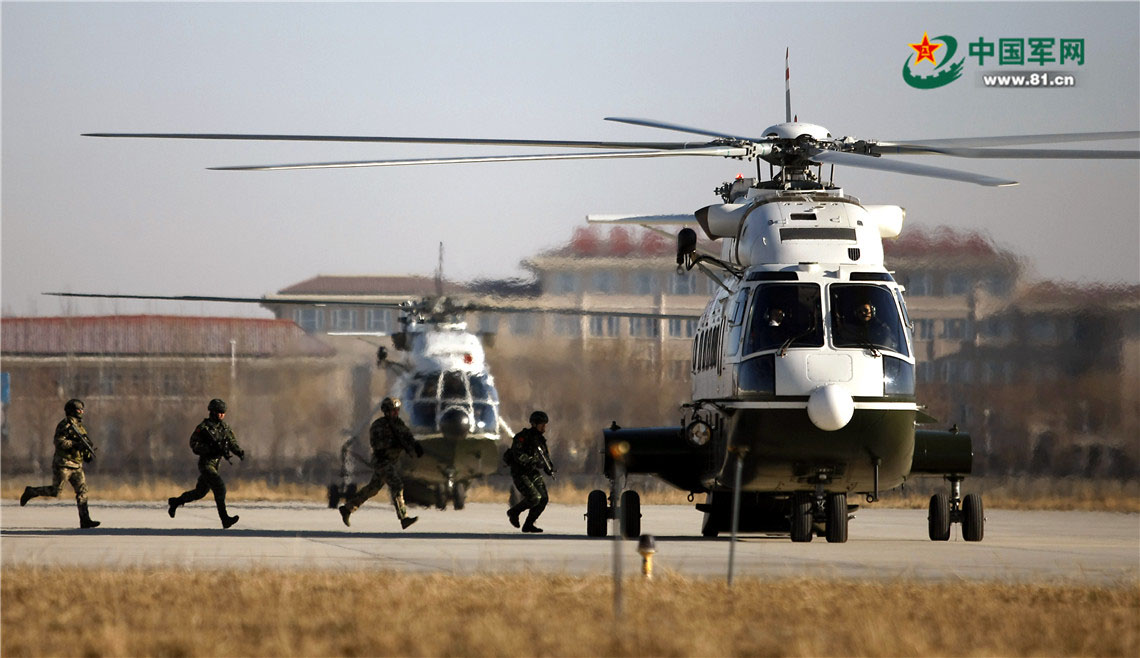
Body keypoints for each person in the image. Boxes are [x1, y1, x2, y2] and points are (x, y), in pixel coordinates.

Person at [339, 397, 424, 530]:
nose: (395, 413)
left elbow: (407, 436)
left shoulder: (399, 424)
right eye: (393, 411)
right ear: (386, 411)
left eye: (397, 411)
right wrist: (394, 443)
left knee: (373, 488)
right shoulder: (378, 426)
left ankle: (347, 508)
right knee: (397, 484)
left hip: (391, 461)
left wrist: (415, 446)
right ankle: (403, 518)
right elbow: (376, 444)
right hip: (381, 461)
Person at [20, 399, 101, 529]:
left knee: (82, 491)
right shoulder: (65, 425)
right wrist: (75, 444)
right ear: (72, 411)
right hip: (64, 463)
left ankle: (85, 520)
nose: (81, 412)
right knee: (55, 491)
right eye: (79, 410)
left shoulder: (80, 427)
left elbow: (85, 444)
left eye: (82, 410)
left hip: (76, 465)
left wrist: (86, 453)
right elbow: (59, 442)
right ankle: (31, 491)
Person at [168, 398, 245, 529]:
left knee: (200, 492)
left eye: (223, 412)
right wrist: (209, 449)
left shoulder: (225, 428)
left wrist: (238, 452)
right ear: (213, 412)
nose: (222, 415)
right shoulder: (203, 428)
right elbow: (193, 444)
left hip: (216, 465)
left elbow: (232, 442)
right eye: (219, 412)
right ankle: (225, 518)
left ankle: (176, 502)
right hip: (206, 464)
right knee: (220, 487)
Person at [504, 410, 556, 533]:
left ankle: (529, 524)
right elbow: (518, 456)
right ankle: (514, 512)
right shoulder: (522, 437)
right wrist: (533, 461)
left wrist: (549, 468)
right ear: (534, 424)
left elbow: (545, 457)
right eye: (542, 425)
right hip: (520, 472)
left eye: (545, 425)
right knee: (534, 497)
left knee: (543, 499)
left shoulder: (541, 440)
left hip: (532, 472)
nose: (544, 428)